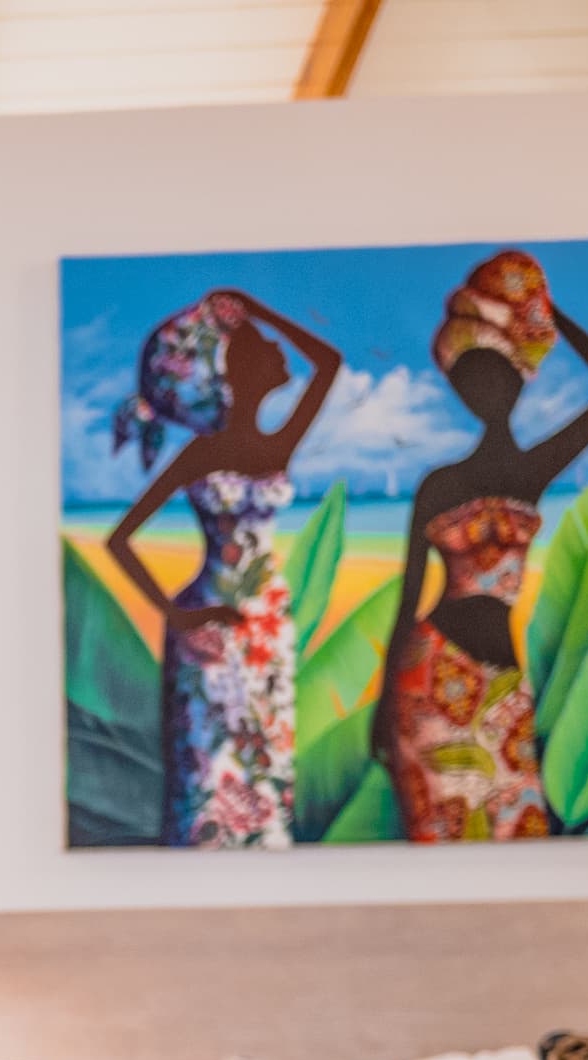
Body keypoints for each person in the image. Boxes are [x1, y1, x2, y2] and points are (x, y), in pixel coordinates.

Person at [369, 252, 588, 841]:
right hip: (429, 667)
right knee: (442, 828)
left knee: (518, 824)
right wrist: (382, 705)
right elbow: (409, 597)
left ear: (518, 380)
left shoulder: (531, 471)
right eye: (469, 379)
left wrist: (542, 311)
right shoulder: (438, 484)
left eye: (496, 375)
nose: (482, 390)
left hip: (501, 675)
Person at [102, 288, 342, 847]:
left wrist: (254, 309)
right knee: (208, 782)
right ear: (233, 373)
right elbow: (121, 539)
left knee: (267, 774)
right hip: (210, 633)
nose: (277, 347)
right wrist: (175, 615)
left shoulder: (277, 446)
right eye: (262, 342)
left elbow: (328, 364)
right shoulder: (202, 455)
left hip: (268, 630)